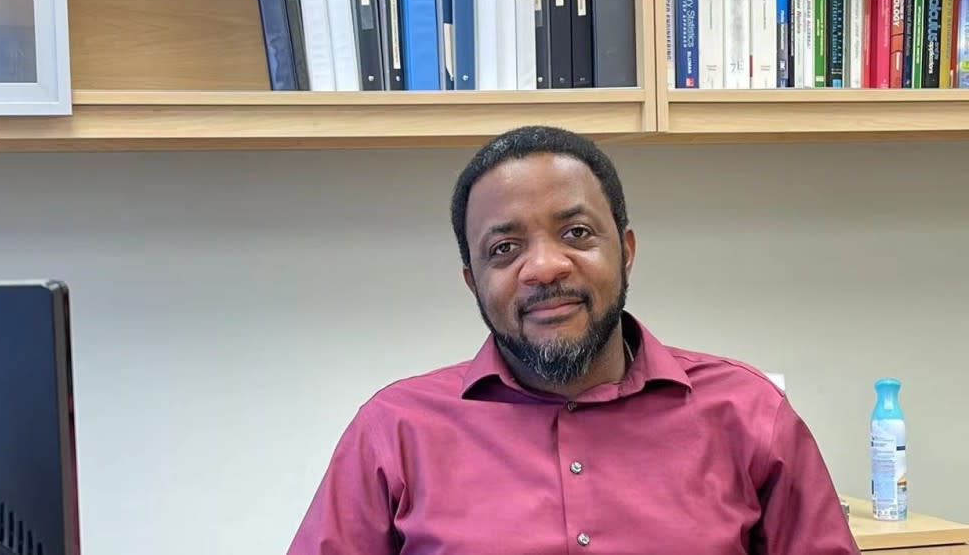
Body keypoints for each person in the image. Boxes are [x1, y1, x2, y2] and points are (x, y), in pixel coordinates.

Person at [286, 126, 859, 554]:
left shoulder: (749, 415)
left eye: (576, 233)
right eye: (504, 249)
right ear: (473, 283)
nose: (544, 267)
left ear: (626, 251)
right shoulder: (393, 433)